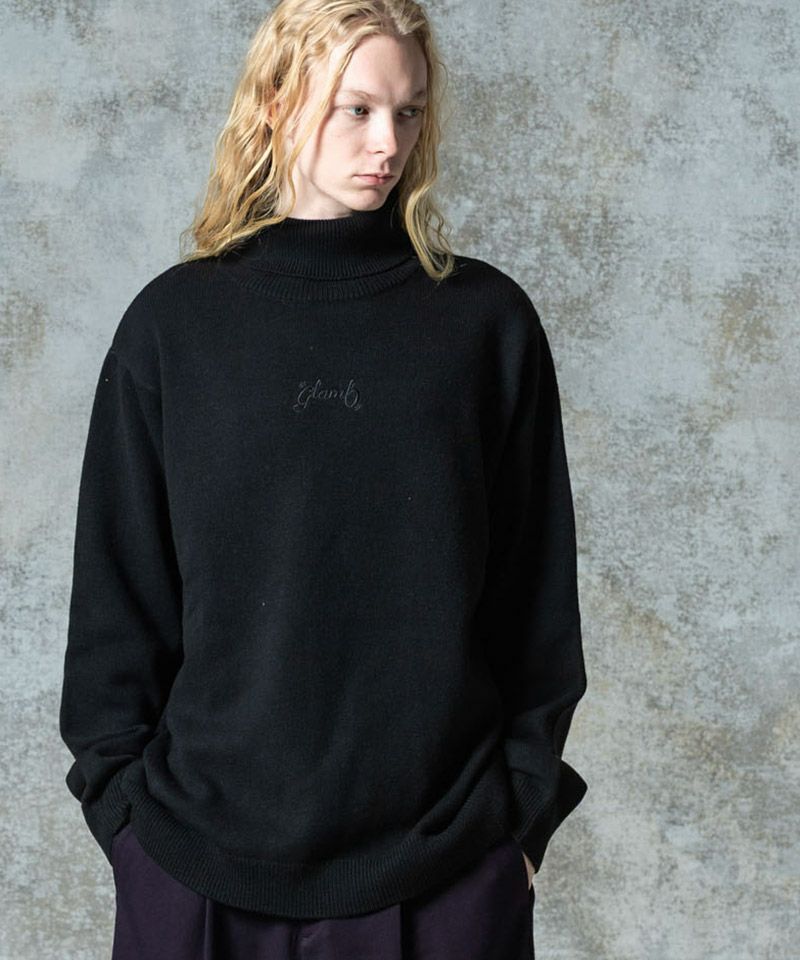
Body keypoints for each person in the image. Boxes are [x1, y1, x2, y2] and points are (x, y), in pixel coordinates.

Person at [58, 0, 588, 957]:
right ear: (276, 102)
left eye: (410, 112)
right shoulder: (175, 328)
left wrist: (518, 826)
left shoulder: (484, 325)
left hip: (446, 870)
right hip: (194, 869)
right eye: (358, 109)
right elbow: (116, 606)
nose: (389, 143)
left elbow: (536, 605)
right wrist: (126, 824)